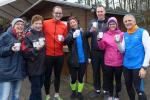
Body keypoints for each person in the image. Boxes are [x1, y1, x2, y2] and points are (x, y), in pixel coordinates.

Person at [116, 14, 150, 100]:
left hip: (138, 66)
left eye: (129, 20)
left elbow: (148, 50)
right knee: (128, 86)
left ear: (134, 21)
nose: (127, 23)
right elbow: (122, 50)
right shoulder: (125, 34)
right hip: (126, 66)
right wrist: (118, 43)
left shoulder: (143, 32)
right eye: (125, 21)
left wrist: (144, 67)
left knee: (139, 89)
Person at [43, 6, 67, 100]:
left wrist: (64, 40)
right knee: (47, 75)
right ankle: (47, 94)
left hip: (59, 55)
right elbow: (37, 32)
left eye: (60, 13)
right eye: (56, 13)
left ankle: (57, 94)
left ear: (62, 14)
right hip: (48, 55)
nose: (58, 15)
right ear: (52, 13)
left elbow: (65, 40)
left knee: (57, 75)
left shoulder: (64, 26)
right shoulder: (45, 23)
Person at [98, 17, 123, 100]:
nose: (112, 25)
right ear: (108, 25)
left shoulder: (121, 34)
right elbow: (102, 48)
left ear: (116, 24)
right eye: (110, 24)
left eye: (113, 23)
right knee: (109, 79)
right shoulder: (105, 34)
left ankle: (117, 94)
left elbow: (123, 48)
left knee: (118, 79)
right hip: (108, 62)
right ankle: (110, 94)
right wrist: (99, 40)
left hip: (119, 61)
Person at [64, 16, 90, 100]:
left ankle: (79, 92)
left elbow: (87, 45)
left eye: (74, 22)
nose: (72, 24)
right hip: (73, 60)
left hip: (83, 60)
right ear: (70, 25)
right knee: (73, 78)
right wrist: (72, 37)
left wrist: (89, 57)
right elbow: (66, 41)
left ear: (77, 22)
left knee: (80, 78)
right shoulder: (69, 33)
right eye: (71, 23)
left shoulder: (82, 32)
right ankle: (73, 91)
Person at [0, 18, 26, 100]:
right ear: (13, 25)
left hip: (18, 71)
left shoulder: (23, 37)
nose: (20, 26)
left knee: (16, 95)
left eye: (22, 24)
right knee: (4, 97)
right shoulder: (5, 35)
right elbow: (1, 51)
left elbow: (25, 53)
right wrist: (11, 49)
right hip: (6, 71)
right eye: (18, 24)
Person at [22, 15, 45, 100]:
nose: (39, 25)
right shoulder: (28, 35)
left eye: (40, 23)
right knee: (36, 91)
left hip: (42, 68)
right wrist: (35, 49)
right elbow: (24, 52)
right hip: (33, 69)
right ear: (32, 24)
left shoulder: (42, 34)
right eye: (36, 23)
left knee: (37, 90)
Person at [86, 5, 108, 95]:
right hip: (94, 52)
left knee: (106, 71)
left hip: (106, 51)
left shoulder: (108, 22)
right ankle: (97, 89)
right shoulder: (92, 22)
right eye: (98, 11)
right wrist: (90, 30)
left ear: (104, 12)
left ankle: (106, 90)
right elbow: (86, 35)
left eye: (101, 11)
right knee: (95, 71)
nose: (99, 13)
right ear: (96, 13)